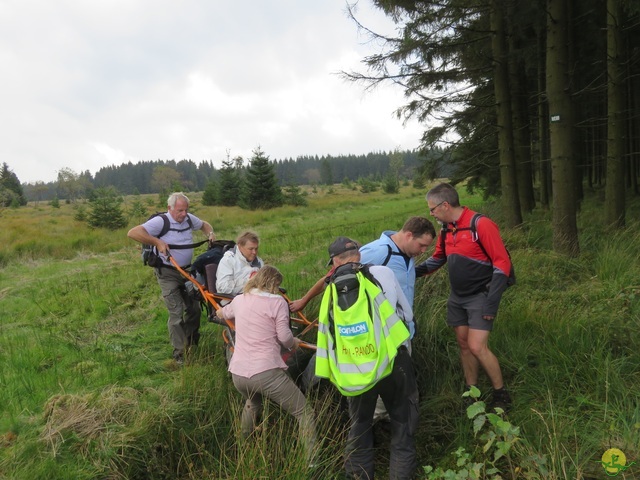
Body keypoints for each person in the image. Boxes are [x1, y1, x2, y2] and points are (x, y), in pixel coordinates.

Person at [318, 237, 417, 479]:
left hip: (356, 370)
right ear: (358, 255)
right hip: (393, 362)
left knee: (359, 427)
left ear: (335, 262)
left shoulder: (330, 290)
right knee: (402, 424)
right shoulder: (382, 272)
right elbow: (408, 314)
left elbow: (327, 336)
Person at [417, 182, 512, 410]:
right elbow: (439, 258)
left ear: (445, 205)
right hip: (457, 297)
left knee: (478, 346)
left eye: (432, 209)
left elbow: (502, 262)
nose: (431, 214)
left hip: (481, 296)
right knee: (464, 345)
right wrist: (411, 271)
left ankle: (501, 395)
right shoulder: (447, 229)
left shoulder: (480, 224)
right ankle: (473, 392)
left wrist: (492, 302)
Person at [215, 265, 317, 464]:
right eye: (278, 285)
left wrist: (219, 313)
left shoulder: (239, 299)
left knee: (252, 403)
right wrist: (294, 343)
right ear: (273, 283)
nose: (278, 290)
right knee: (304, 412)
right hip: (266, 372)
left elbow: (223, 314)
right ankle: (312, 463)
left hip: (239, 374)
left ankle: (243, 449)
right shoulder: (278, 302)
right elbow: (285, 338)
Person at [127, 192, 215, 365]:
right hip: (167, 273)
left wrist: (210, 233)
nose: (183, 214)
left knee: (194, 309)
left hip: (188, 272)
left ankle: (191, 342)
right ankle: (180, 354)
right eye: (180, 210)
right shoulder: (161, 221)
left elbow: (204, 225)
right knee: (176, 313)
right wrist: (157, 242)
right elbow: (133, 233)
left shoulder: (189, 219)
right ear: (170, 208)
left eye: (186, 210)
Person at [216, 230, 264, 296]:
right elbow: (223, 287)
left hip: (256, 296)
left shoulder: (259, 261)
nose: (254, 252)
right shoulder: (228, 260)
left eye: (256, 249)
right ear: (240, 247)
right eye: (251, 249)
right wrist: (250, 282)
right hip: (232, 300)